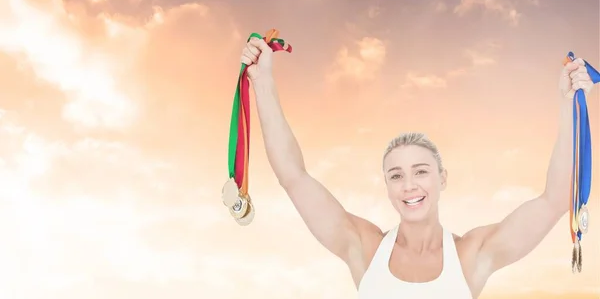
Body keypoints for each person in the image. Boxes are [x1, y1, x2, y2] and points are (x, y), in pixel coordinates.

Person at [239, 37, 595, 298]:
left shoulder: (471, 255)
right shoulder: (365, 249)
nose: (409, 185)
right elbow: (294, 177)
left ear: (442, 179)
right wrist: (263, 80)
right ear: (388, 186)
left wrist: (567, 103)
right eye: (396, 175)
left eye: (421, 171)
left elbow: (552, 200)